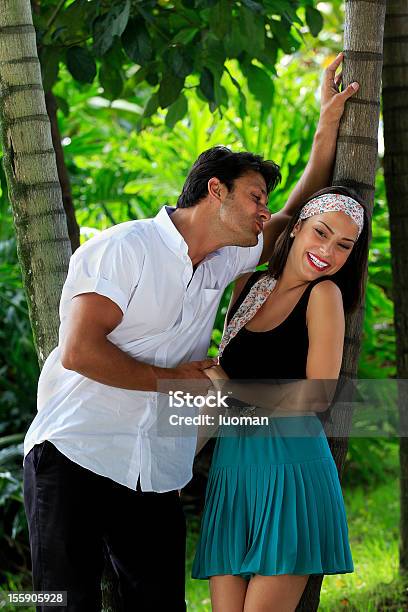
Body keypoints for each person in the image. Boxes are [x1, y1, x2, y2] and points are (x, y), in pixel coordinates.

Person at [22, 54, 358, 612]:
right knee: (62, 602)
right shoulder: (123, 248)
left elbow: (300, 219)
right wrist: (175, 380)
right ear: (214, 191)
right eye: (254, 197)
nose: (263, 212)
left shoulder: (227, 262)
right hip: (75, 453)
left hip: (152, 471)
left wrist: (326, 124)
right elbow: (80, 351)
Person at [192, 187, 370, 612]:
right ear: (295, 230)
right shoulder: (248, 285)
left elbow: (318, 395)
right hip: (232, 475)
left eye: (343, 246)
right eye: (320, 233)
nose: (327, 251)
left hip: (291, 476)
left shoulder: (324, 296)